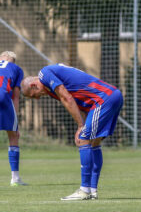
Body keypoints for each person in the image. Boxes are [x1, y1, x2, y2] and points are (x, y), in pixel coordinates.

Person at [21, 63, 123, 201]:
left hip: (103, 99)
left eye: (33, 96)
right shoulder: (50, 87)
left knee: (83, 138)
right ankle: (92, 191)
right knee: (94, 142)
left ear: (34, 85)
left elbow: (67, 98)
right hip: (110, 96)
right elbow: (78, 100)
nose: (37, 98)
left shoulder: (44, 74)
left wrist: (81, 125)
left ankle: (84, 190)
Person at [0, 51, 27, 186]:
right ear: (13, 61)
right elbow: (15, 96)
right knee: (13, 136)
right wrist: (16, 123)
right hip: (4, 99)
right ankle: (15, 179)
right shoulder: (16, 69)